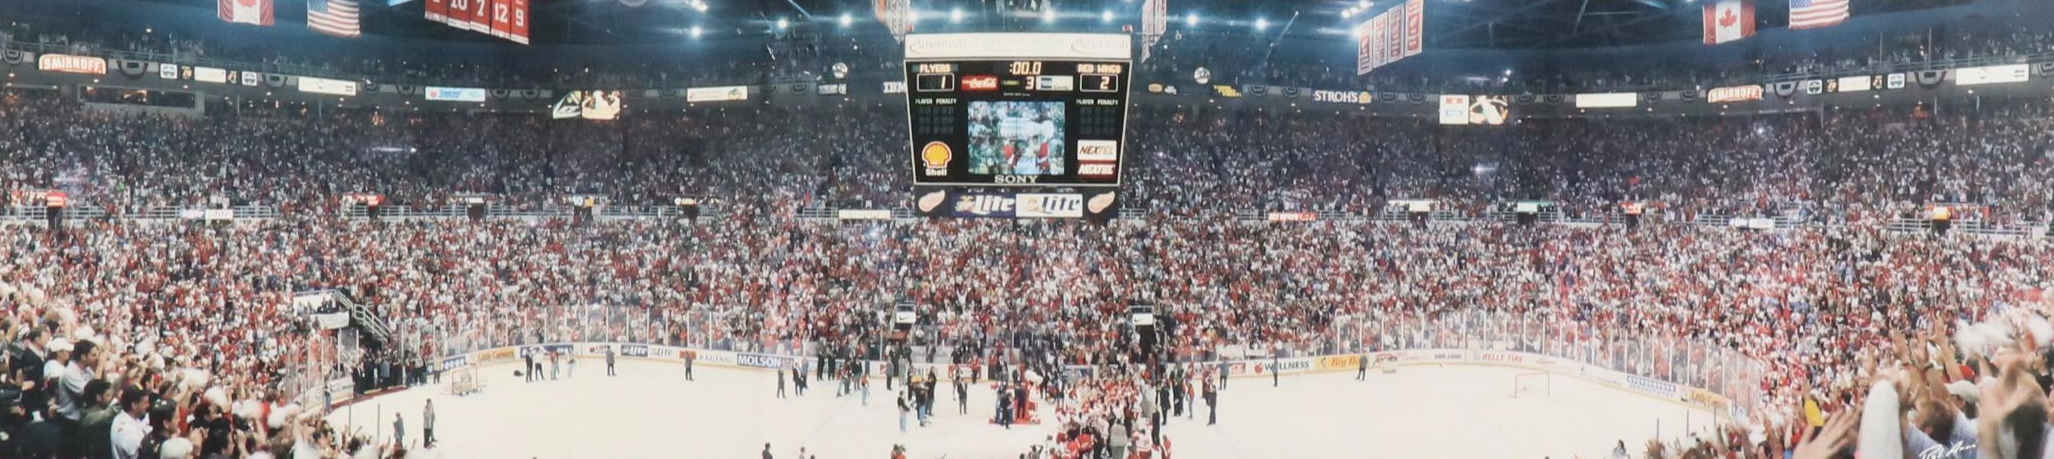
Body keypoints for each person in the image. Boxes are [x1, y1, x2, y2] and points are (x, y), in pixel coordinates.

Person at [110, 389, 150, 459]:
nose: (148, 405)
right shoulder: (127, 432)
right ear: (134, 405)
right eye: (145, 403)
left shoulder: (125, 417)